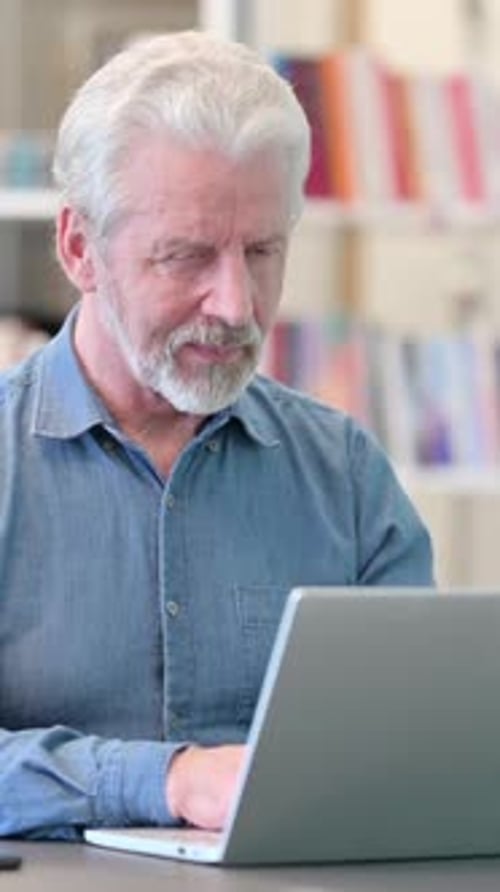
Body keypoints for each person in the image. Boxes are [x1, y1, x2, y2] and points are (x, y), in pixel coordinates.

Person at [0, 30, 433, 840]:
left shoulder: (345, 479)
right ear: (78, 247)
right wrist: (168, 779)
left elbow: (418, 751)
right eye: (187, 256)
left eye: (263, 251)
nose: (236, 305)